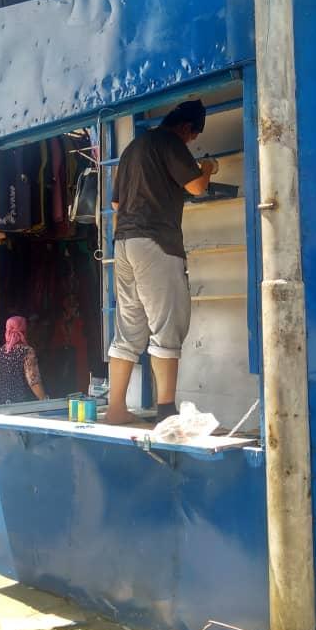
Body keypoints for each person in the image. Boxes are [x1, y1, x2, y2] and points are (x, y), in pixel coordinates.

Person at [105, 99, 217, 424]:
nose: (191, 142)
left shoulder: (133, 148)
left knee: (128, 328)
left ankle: (116, 409)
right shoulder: (170, 141)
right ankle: (166, 412)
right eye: (193, 136)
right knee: (167, 324)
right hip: (156, 243)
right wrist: (207, 168)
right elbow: (196, 187)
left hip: (124, 243)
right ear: (186, 127)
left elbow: (116, 204)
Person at [0, 316, 47, 405]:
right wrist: (44, 399)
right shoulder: (26, 351)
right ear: (24, 330)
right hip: (19, 405)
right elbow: (33, 380)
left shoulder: (1, 351)